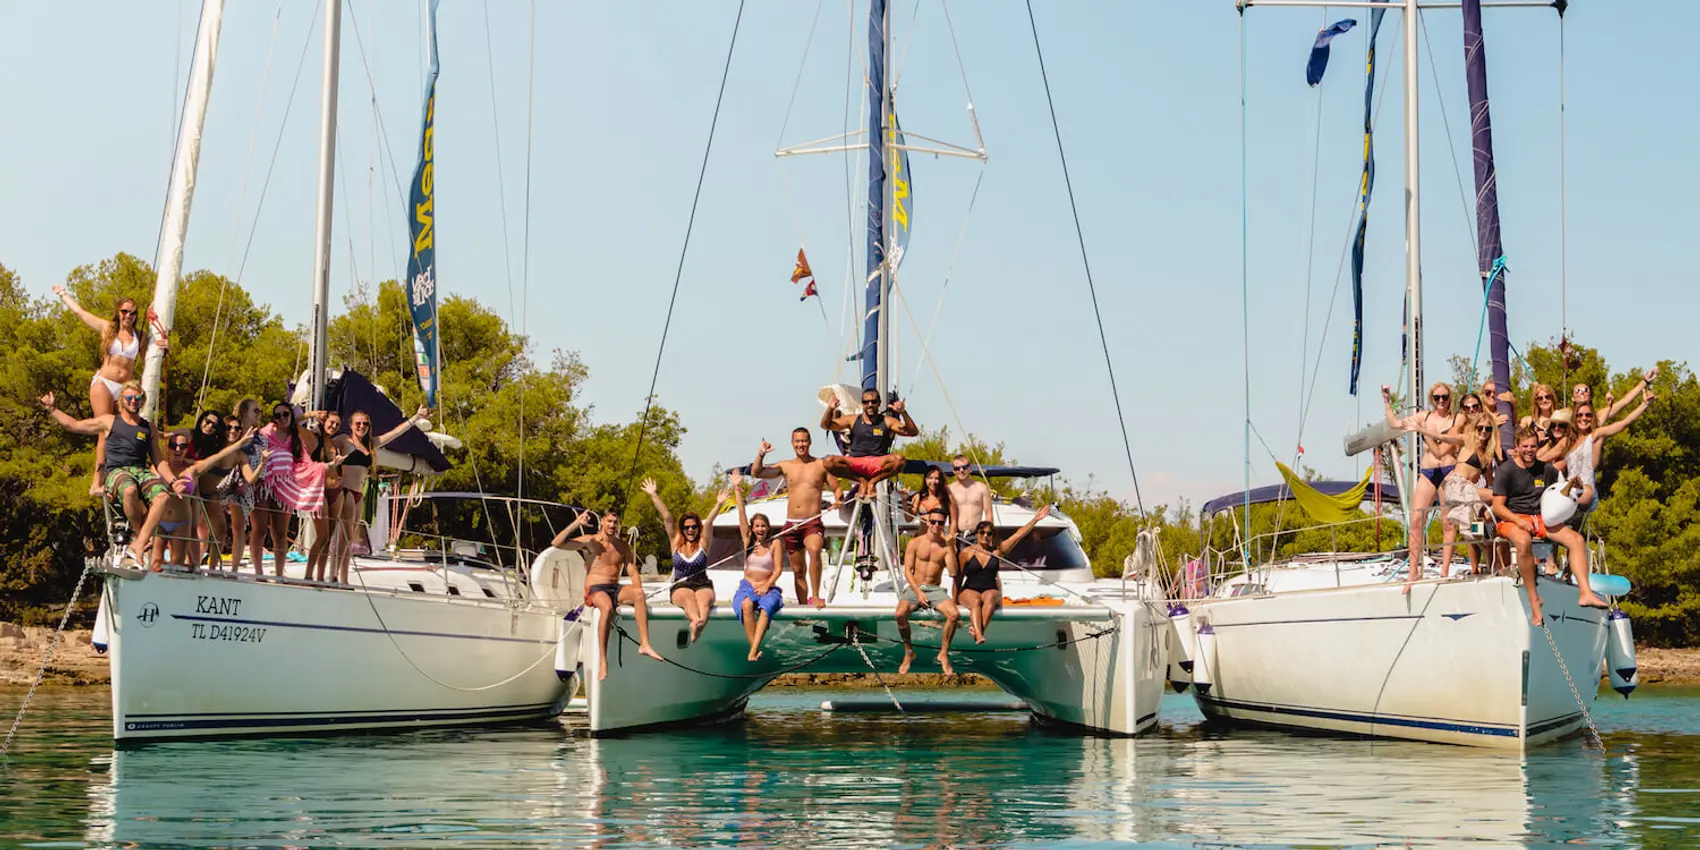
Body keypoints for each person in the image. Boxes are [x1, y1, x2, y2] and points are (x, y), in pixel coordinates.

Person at [40, 383, 173, 566]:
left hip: (140, 470)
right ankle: (138, 533)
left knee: (163, 496)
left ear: (142, 400)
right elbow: (75, 425)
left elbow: (159, 460)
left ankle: (140, 542)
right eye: (129, 398)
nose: (134, 401)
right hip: (117, 471)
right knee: (129, 490)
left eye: (138, 398)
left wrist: (174, 480)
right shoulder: (109, 421)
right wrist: (52, 409)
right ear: (122, 400)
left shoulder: (148, 427)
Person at [50, 287, 168, 493]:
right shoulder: (108, 329)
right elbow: (80, 313)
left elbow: (149, 360)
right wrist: (63, 295)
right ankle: (97, 482)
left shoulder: (139, 336)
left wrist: (161, 347)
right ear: (118, 312)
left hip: (126, 390)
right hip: (104, 383)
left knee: (126, 430)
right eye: (124, 311)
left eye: (132, 313)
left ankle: (128, 472)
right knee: (105, 432)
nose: (128, 316)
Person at [1490, 427, 1609, 625]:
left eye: (1533, 446)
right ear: (1517, 447)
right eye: (1525, 446)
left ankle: (1585, 592)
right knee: (1523, 541)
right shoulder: (1506, 471)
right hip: (1512, 519)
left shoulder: (1547, 470)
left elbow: (1560, 492)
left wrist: (1574, 486)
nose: (1529, 450)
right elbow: (1497, 507)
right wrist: (1518, 521)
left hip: (1541, 519)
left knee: (1577, 540)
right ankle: (1533, 597)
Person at [551, 507, 664, 679]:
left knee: (639, 595)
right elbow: (557, 543)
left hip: (614, 588)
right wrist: (576, 523)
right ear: (602, 521)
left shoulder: (622, 546)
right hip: (595, 589)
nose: (612, 525)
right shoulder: (591, 541)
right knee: (607, 607)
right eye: (609, 521)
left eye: (615, 522)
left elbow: (633, 571)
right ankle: (603, 661)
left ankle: (645, 644)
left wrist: (637, 589)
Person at [326, 407, 429, 583]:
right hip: (346, 491)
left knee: (350, 538)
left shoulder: (370, 444)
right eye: (357, 423)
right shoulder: (344, 440)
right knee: (342, 537)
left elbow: (395, 433)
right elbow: (324, 443)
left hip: (359, 493)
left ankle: (343, 578)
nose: (361, 426)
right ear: (350, 425)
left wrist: (416, 417)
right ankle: (332, 575)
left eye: (365, 424)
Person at [1382, 382, 1467, 583]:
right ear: (1431, 399)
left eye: (1444, 397)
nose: (1441, 401)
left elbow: (1457, 439)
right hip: (1428, 470)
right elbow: (1395, 424)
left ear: (1450, 398)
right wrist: (1387, 402)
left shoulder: (1457, 418)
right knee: (1416, 519)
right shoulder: (1424, 417)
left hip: (1448, 469)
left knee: (1448, 522)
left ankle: (1444, 571)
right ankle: (1414, 570)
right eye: (1436, 397)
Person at [750, 429, 838, 608]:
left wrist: (839, 500)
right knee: (798, 570)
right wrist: (761, 454)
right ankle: (803, 606)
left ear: (810, 442)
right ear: (792, 443)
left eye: (804, 441)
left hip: (812, 521)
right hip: (792, 523)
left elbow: (837, 489)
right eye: (797, 441)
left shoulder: (821, 465)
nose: (801, 445)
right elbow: (756, 472)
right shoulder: (785, 466)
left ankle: (816, 596)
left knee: (814, 549)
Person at [642, 476, 731, 642]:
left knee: (704, 602)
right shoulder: (675, 542)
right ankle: (696, 621)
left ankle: (698, 623)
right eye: (687, 527)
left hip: (702, 583)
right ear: (682, 529)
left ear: (698, 528)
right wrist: (654, 495)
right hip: (680, 585)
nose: (690, 530)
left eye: (694, 527)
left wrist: (719, 504)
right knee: (688, 598)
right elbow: (667, 518)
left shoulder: (703, 543)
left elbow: (710, 522)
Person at [956, 505, 1050, 643]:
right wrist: (954, 600)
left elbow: (1018, 535)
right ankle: (979, 632)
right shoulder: (966, 553)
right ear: (976, 534)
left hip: (990, 589)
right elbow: (958, 577)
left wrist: (1035, 520)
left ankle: (979, 632)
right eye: (982, 532)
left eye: (989, 533)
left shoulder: (998, 551)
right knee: (976, 602)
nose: (985, 536)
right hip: (970, 589)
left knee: (989, 598)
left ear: (993, 536)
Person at [895, 507, 963, 675]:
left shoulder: (945, 546)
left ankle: (943, 653)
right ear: (927, 522)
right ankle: (909, 651)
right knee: (899, 614)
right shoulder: (915, 542)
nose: (936, 525)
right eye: (933, 521)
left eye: (940, 523)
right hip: (915, 587)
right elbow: (907, 571)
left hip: (935, 589)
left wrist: (951, 548)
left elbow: (954, 572)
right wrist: (918, 593)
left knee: (954, 614)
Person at [819, 389, 919, 500]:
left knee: (899, 460)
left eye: (873, 401)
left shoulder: (887, 421)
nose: (870, 405)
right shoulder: (853, 419)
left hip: (878, 462)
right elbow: (825, 425)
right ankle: (861, 480)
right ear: (862, 404)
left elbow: (913, 432)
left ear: (879, 403)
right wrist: (830, 408)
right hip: (856, 461)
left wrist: (903, 412)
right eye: (866, 402)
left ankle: (872, 482)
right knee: (828, 461)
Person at [730, 470, 786, 661]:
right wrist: (737, 488)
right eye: (757, 526)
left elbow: (777, 569)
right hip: (747, 587)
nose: (760, 529)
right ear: (753, 529)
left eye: (763, 526)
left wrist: (766, 586)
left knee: (765, 609)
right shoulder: (748, 543)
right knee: (746, 606)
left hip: (767, 587)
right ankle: (754, 649)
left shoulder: (775, 543)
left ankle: (753, 651)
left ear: (768, 527)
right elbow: (741, 514)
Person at [1442, 418, 1500, 574]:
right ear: (1474, 429)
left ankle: (1489, 568)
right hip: (1460, 487)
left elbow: (1490, 481)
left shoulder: (1487, 454)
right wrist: (1423, 431)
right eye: (1480, 428)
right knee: (1498, 499)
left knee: (1477, 533)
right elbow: (1446, 438)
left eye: (1487, 429)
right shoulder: (1468, 442)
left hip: (1472, 492)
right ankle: (1475, 569)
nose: (1483, 432)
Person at [947, 455, 995, 535]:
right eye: (957, 468)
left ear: (970, 468)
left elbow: (989, 513)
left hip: (978, 534)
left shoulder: (982, 488)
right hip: (958, 535)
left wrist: (988, 534)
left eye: (964, 467)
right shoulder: (949, 489)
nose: (961, 470)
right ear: (953, 471)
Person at [906, 466, 957, 540]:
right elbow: (908, 519)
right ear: (925, 479)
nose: (933, 481)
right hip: (921, 540)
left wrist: (951, 539)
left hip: (939, 541)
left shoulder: (947, 497)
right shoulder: (919, 496)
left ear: (940, 480)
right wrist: (904, 500)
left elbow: (953, 522)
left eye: (936, 478)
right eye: (930, 478)